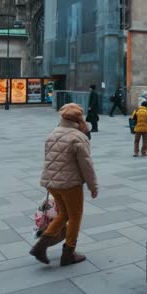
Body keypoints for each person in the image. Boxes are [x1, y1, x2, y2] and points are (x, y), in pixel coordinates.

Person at [30, 103, 98, 266]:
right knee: (75, 216)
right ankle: (69, 252)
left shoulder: (53, 133)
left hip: (51, 182)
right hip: (69, 184)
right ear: (79, 119)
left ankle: (40, 246)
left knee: (64, 214)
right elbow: (86, 165)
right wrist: (93, 185)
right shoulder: (78, 137)